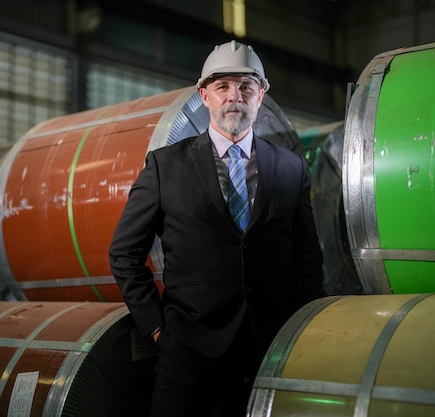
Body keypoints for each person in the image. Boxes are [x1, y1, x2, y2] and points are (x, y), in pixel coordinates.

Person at [109, 40, 325, 417]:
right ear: (204, 95)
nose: (234, 97)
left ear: (261, 94)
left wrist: (300, 328)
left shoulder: (291, 168)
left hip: (270, 352)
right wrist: (158, 328)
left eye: (245, 86)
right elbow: (124, 253)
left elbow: (307, 257)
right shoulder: (165, 166)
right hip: (189, 357)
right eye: (222, 87)